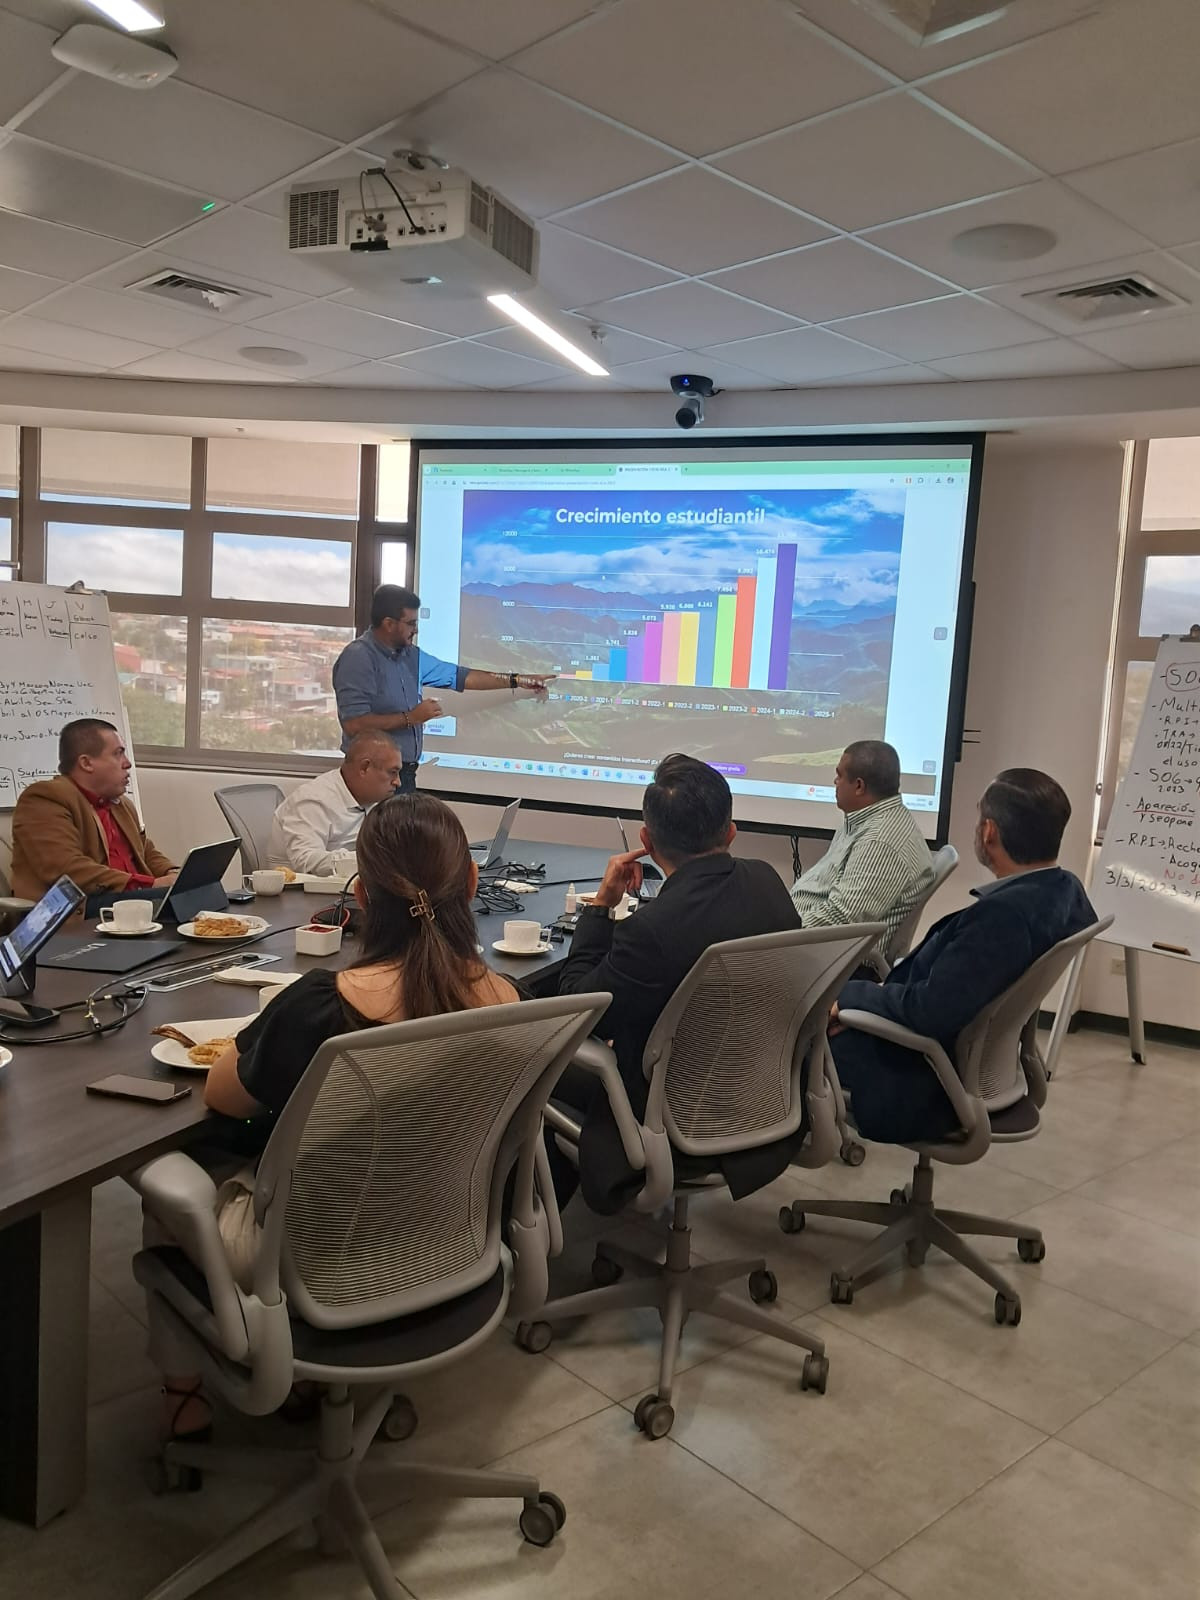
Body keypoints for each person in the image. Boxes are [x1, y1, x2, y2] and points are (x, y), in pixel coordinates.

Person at [155, 792, 520, 1443]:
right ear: (470, 881)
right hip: (443, 1231)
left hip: (312, 1249)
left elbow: (223, 1096)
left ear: (362, 895)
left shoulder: (320, 1006)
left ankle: (184, 1402)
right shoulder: (505, 1000)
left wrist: (263, 1031)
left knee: (166, 1188)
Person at [554, 753, 801, 1213]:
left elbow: (575, 1009)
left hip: (669, 1111)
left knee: (532, 1059)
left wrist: (601, 908)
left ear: (646, 841)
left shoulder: (651, 932)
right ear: (731, 831)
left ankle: (529, 1234)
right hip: (757, 1095)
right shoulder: (767, 882)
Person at [829, 767, 1095, 1145]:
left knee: (786, 1034)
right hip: (961, 1059)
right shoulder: (1064, 892)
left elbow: (930, 1010)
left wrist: (852, 1000)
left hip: (922, 1074)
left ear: (989, 832)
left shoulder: (1001, 920)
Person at [332, 584, 555, 792]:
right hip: (372, 779)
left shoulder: (410, 656)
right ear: (389, 624)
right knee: (377, 835)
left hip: (404, 775)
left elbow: (462, 677)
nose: (416, 630)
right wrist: (411, 718)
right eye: (410, 623)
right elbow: (354, 724)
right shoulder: (358, 658)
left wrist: (518, 679)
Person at [10, 718, 176, 916]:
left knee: (204, 892)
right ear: (87, 763)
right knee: (173, 899)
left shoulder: (121, 804)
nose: (127, 763)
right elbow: (66, 868)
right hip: (80, 908)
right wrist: (150, 884)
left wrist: (173, 873)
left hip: (129, 898)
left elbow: (144, 850)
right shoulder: (45, 799)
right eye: (118, 754)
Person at [791, 740, 933, 956]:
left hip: (830, 962)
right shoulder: (864, 820)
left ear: (859, 786)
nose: (835, 782)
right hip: (809, 942)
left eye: (839, 776)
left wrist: (777, 932)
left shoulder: (881, 841)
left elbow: (841, 920)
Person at [267, 732, 402, 876]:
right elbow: (305, 861)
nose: (398, 782)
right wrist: (371, 861)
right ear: (364, 768)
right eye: (392, 772)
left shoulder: (373, 801)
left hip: (349, 887)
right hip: (300, 893)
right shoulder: (314, 799)